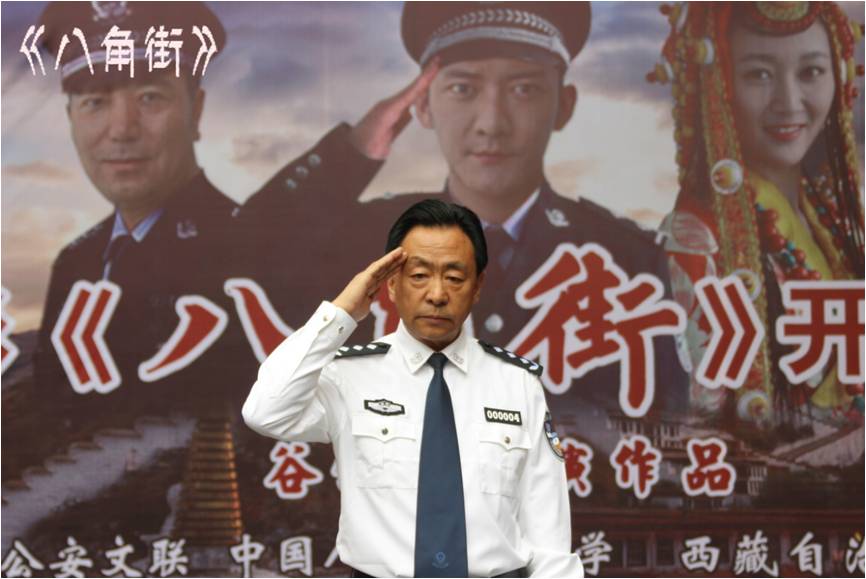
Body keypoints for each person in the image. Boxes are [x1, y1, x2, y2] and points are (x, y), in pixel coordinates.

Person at [242, 1, 688, 416]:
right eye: (462, 88)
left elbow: (664, 420)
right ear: (422, 105)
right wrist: (354, 150)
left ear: (564, 106)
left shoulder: (625, 258)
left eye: (524, 89)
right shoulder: (368, 241)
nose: (491, 123)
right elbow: (244, 254)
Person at [243, 199, 582, 578]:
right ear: (391, 283)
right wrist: (341, 313)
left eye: (454, 278)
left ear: (477, 286)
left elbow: (549, 537)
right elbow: (265, 411)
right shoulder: (349, 376)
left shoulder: (516, 383)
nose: (437, 294)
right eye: (419, 275)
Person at [32, 1, 251, 422]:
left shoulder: (253, 246)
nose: (121, 130)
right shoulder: (76, 263)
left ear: (196, 111)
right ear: (71, 119)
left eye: (150, 97)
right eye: (95, 102)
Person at [651, 1, 865, 431]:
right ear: (718, 84)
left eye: (811, 72)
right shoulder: (695, 239)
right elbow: (701, 416)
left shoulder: (834, 225)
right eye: (759, 75)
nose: (789, 103)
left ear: (840, 78)